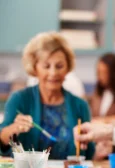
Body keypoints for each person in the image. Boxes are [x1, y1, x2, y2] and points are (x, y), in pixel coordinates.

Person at [0, 32, 95, 160]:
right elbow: (2, 140)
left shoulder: (80, 105)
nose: (53, 72)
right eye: (46, 66)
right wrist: (13, 129)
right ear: (35, 68)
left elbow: (89, 154)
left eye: (59, 66)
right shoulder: (19, 100)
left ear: (68, 68)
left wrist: (98, 146)